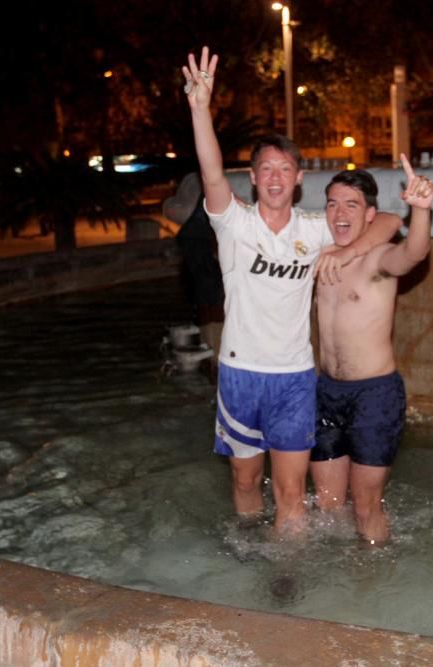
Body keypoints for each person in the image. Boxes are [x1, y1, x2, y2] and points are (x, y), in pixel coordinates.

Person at [182, 46, 402, 534]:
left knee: (289, 492)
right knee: (244, 482)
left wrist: (345, 252)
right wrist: (200, 109)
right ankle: (246, 552)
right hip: (240, 374)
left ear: (299, 179)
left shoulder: (315, 228)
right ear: (254, 178)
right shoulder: (233, 224)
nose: (276, 178)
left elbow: (387, 219)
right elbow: (211, 171)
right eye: (267, 169)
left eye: (286, 169)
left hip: (295, 379)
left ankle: (287, 579)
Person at [310, 158, 433, 545]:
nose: (340, 212)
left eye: (351, 204)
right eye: (332, 203)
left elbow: (412, 252)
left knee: (366, 505)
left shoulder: (379, 259)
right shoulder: (321, 255)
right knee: (328, 505)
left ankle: (371, 586)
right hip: (326, 393)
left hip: (374, 396)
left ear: (368, 213)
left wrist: (421, 210)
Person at [165, 172, 224, 380]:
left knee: (205, 291)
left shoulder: (192, 230)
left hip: (206, 290)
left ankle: (210, 354)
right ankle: (212, 356)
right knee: (210, 292)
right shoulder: (207, 193)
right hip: (212, 291)